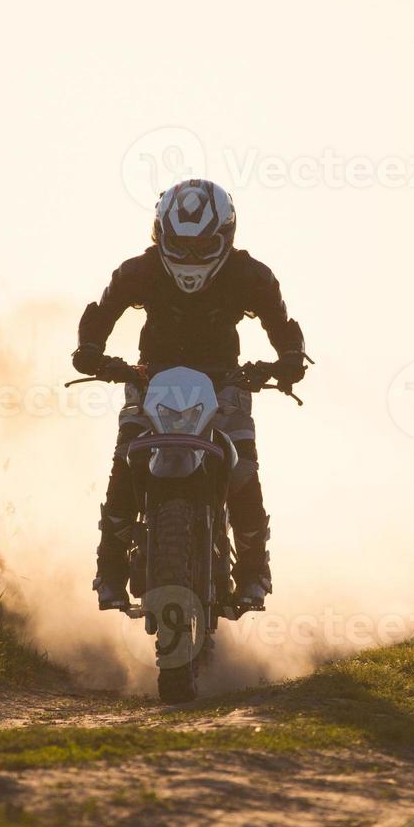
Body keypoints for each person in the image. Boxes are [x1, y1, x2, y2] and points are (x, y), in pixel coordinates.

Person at [72, 179, 308, 613]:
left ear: (226, 237)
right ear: (159, 235)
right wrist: (91, 351)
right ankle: (109, 570)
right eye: (180, 245)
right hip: (150, 376)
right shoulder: (137, 271)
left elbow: (281, 323)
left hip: (228, 380)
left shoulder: (251, 275)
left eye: (202, 247)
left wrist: (290, 359)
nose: (190, 258)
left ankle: (255, 571)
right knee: (128, 457)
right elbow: (100, 313)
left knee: (243, 467)